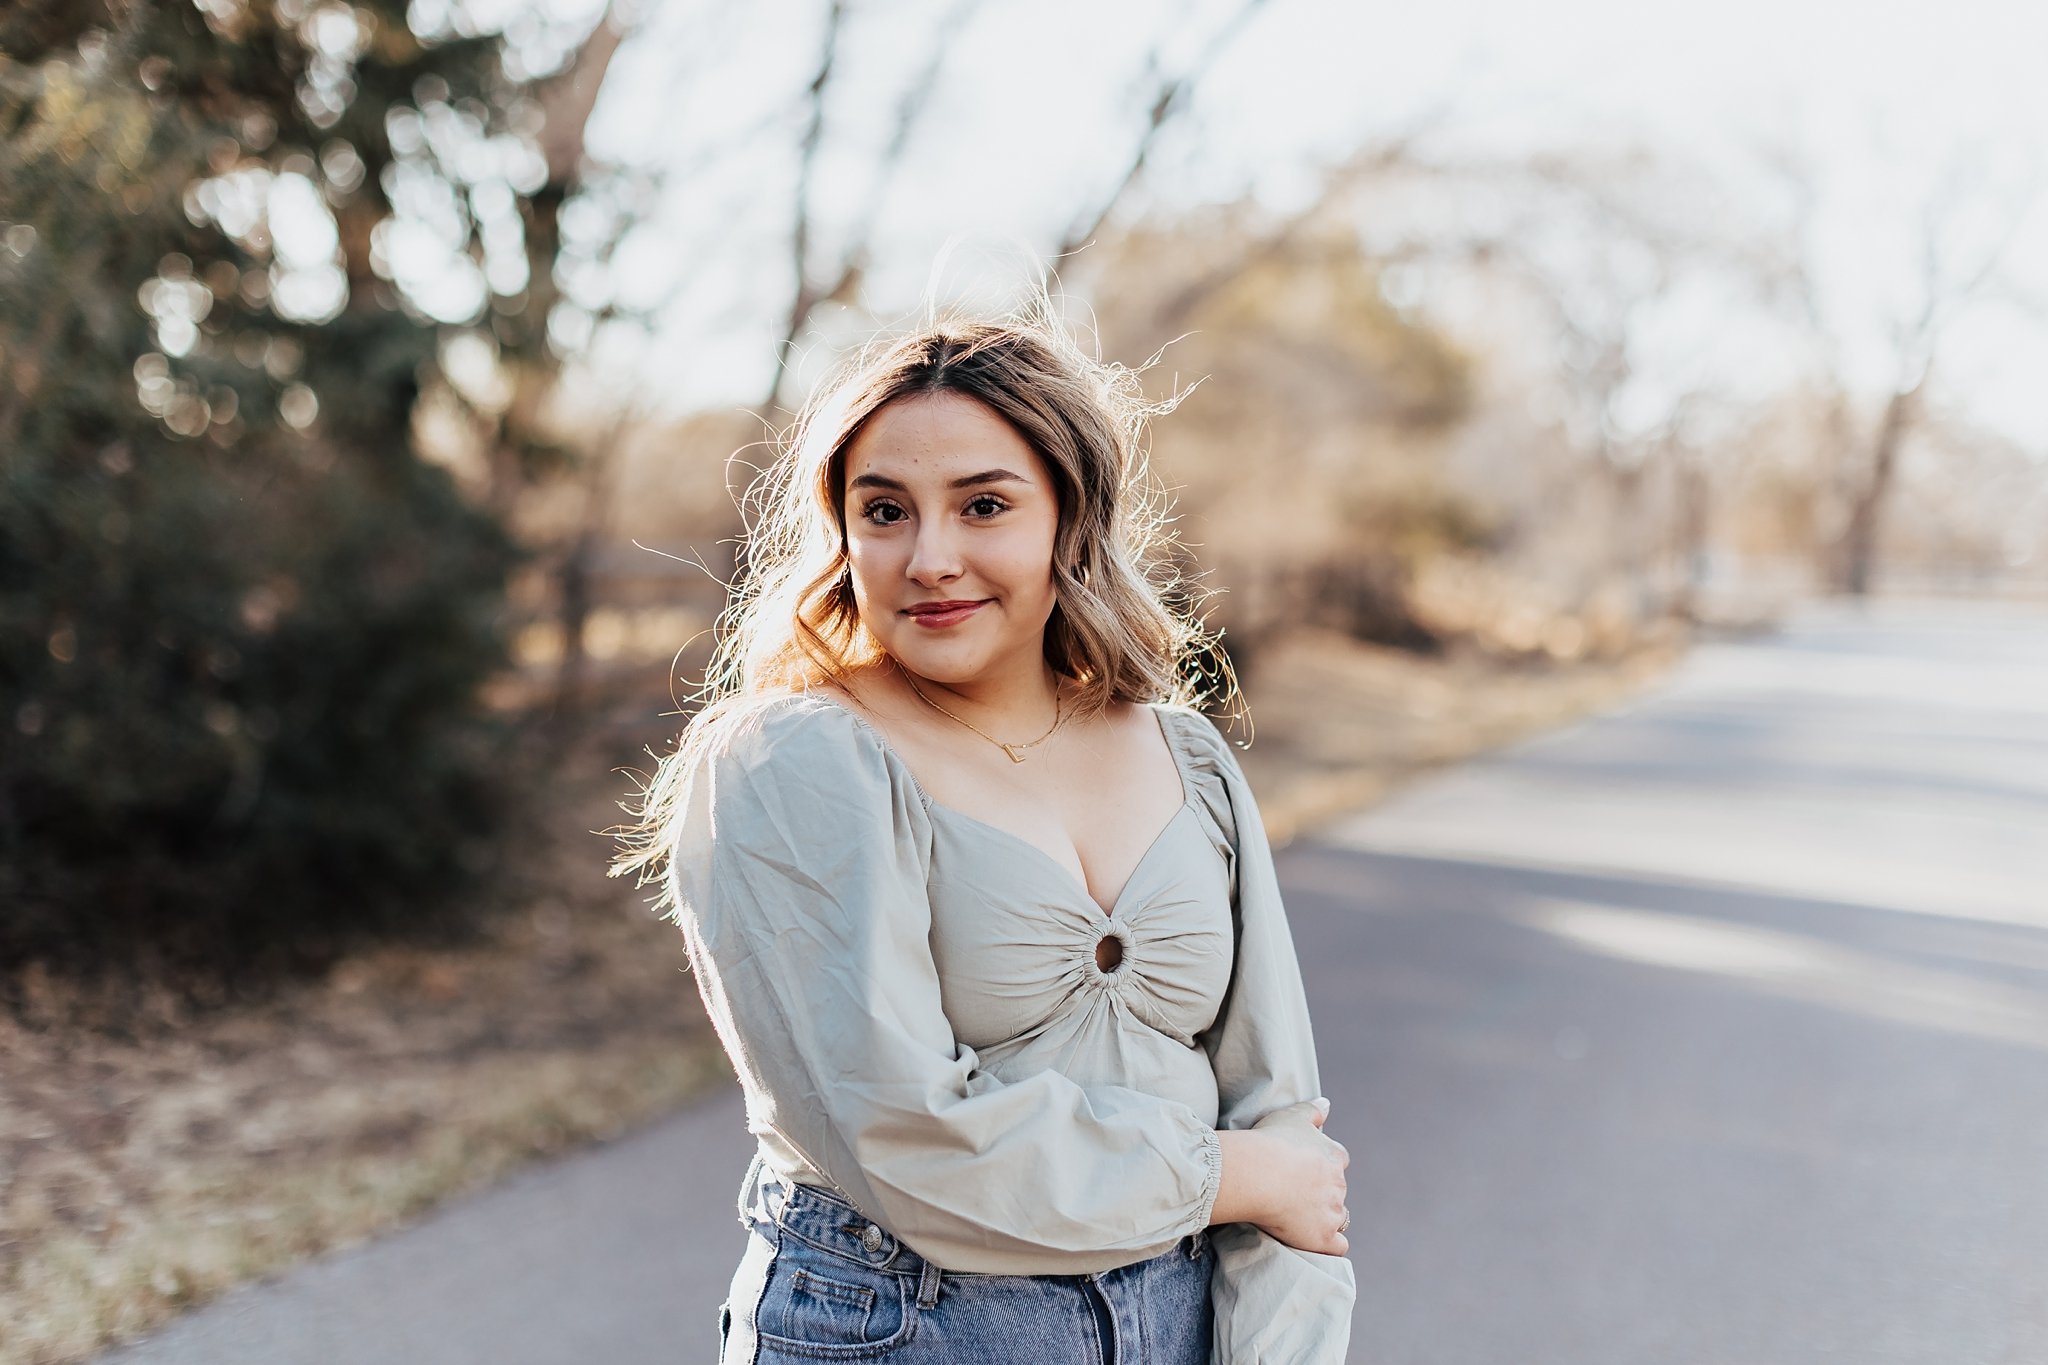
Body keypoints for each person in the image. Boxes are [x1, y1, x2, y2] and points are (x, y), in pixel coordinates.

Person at [610, 302, 1356, 1363]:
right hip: (908, 1326)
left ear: (1070, 516)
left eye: (983, 505)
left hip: (1185, 1323)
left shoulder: (1184, 757)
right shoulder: (797, 760)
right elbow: (901, 1136)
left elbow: (1286, 1133)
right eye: (884, 511)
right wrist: (1222, 1177)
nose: (929, 556)